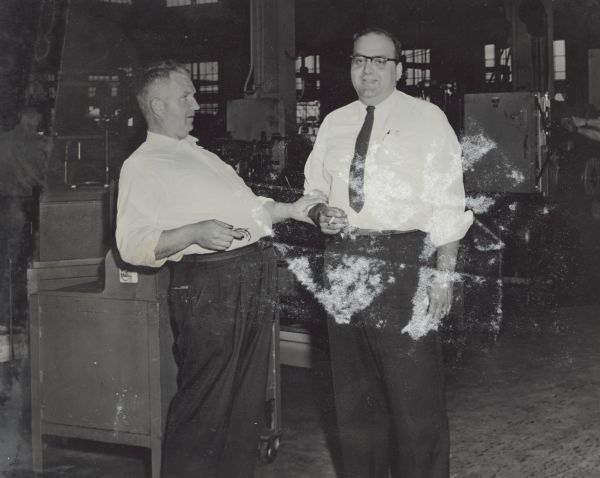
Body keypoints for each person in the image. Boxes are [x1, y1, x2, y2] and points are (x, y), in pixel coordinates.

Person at [115, 60, 324, 478]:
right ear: (157, 105)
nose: (196, 103)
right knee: (205, 405)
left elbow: (248, 209)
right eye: (185, 96)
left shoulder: (198, 153)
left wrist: (292, 210)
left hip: (248, 277)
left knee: (242, 406)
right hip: (210, 285)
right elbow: (131, 244)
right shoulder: (144, 164)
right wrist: (193, 231)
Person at [303, 28, 473, 477]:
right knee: (355, 407)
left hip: (404, 266)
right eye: (360, 60)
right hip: (342, 264)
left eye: (380, 62)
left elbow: (449, 203)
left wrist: (443, 275)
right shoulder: (335, 123)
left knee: (415, 405)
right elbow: (313, 191)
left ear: (398, 68)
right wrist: (320, 211)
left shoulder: (428, 118)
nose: (368, 71)